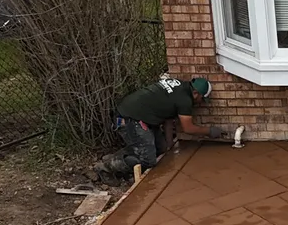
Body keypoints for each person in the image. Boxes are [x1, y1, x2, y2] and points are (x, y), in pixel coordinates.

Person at [93, 74, 242, 179]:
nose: (201, 103)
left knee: (160, 149)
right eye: (202, 99)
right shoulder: (185, 100)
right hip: (130, 118)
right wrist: (210, 131)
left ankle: (117, 158)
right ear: (195, 93)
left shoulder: (179, 87)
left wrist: (169, 144)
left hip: (142, 116)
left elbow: (169, 119)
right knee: (148, 160)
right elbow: (188, 128)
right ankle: (106, 166)